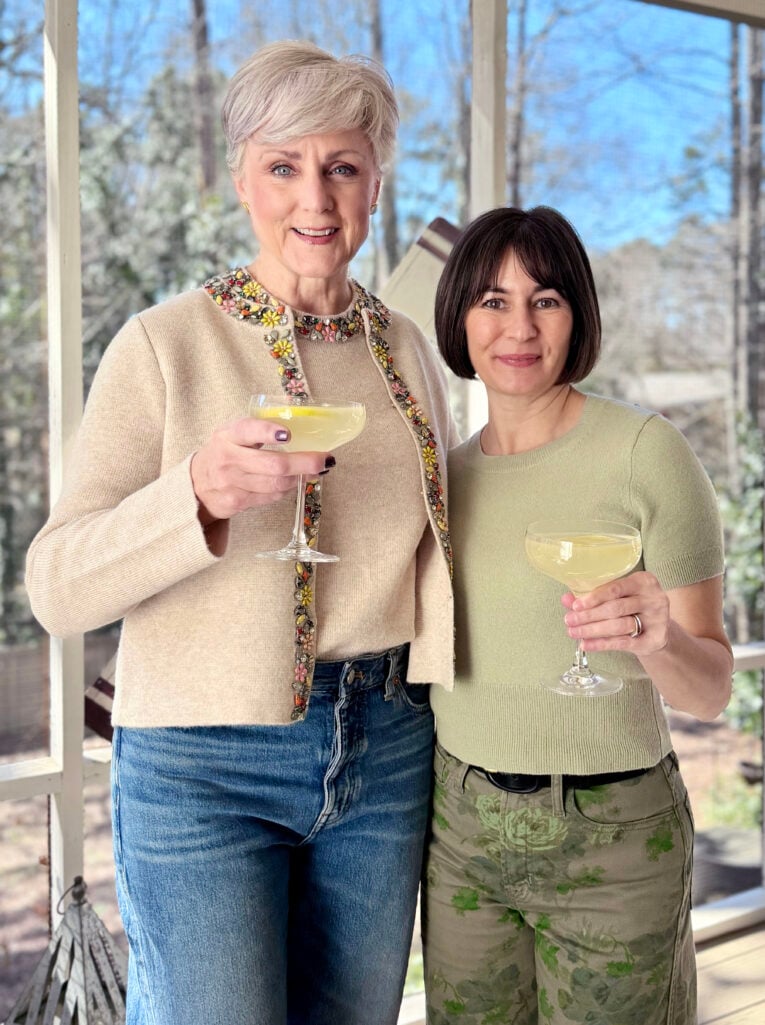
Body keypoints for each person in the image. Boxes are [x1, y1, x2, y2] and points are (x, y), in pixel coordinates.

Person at [25, 40, 456, 1025]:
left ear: (376, 182)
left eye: (343, 165)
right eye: (284, 165)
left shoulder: (407, 354)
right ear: (241, 181)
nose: (317, 196)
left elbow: (439, 549)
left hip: (387, 745)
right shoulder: (165, 345)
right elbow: (56, 584)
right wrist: (198, 493)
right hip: (201, 765)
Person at [422, 205, 733, 1025]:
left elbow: (709, 691)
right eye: (491, 300)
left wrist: (658, 636)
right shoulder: (441, 480)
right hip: (461, 836)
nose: (517, 325)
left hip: (616, 841)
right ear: (459, 317)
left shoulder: (646, 451)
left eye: (545, 298)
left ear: (577, 314)